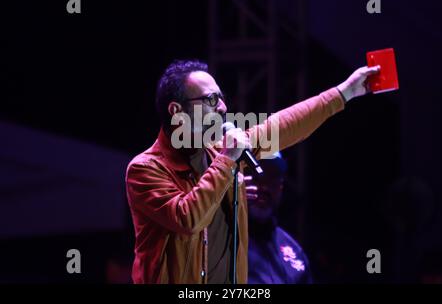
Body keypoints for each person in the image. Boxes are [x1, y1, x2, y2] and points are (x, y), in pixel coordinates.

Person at [125, 59, 380, 284]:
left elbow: (282, 126)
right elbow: (187, 219)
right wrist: (226, 160)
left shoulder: (218, 151)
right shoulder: (146, 169)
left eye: (222, 98)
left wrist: (344, 93)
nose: (223, 107)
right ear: (176, 111)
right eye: (211, 100)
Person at [245, 152, 313, 284]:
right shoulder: (220, 238)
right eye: (256, 176)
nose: (263, 187)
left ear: (281, 186)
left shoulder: (293, 250)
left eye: (271, 179)